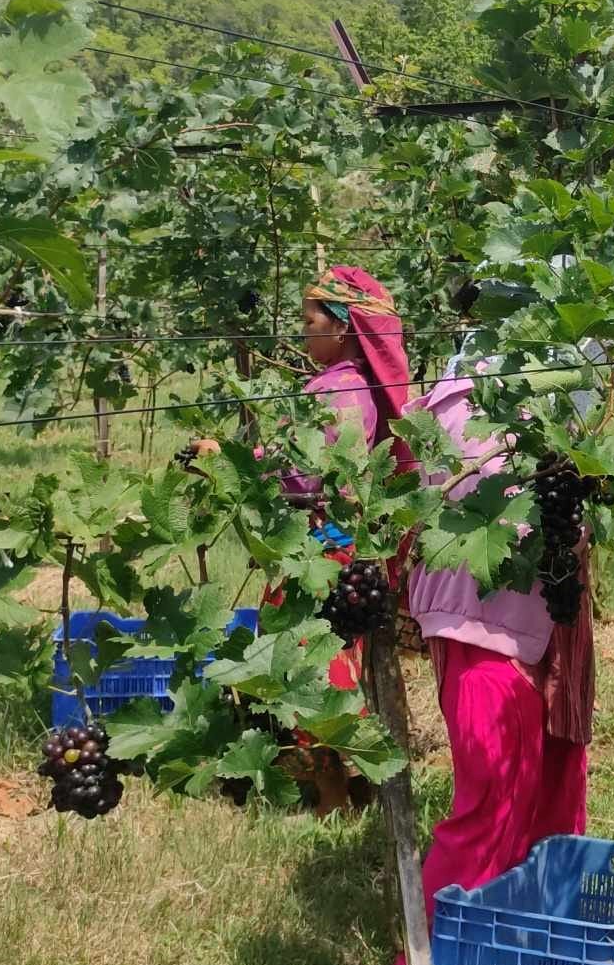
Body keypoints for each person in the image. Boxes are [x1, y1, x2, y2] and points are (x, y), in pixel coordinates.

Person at [402, 363, 614, 916]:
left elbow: (568, 500)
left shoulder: (571, 387)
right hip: (485, 630)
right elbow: (517, 512)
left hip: (547, 623)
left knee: (554, 788)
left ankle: (536, 930)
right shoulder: (474, 403)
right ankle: (446, 948)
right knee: (494, 803)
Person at [197, 265, 416, 815]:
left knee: (304, 663)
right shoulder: (353, 387)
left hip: (321, 545)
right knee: (333, 655)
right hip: (340, 541)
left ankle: (332, 794)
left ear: (341, 328)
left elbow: (303, 476)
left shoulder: (338, 392)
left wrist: (226, 463)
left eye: (309, 320)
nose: (303, 331)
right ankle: (357, 781)